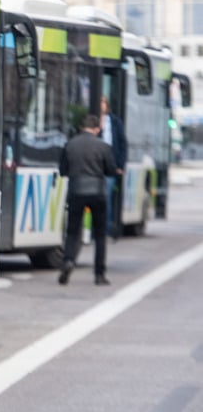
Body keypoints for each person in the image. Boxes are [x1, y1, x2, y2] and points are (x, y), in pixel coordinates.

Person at [58, 114, 118, 286]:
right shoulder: (104, 146)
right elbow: (111, 170)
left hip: (76, 191)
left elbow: (62, 170)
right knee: (99, 235)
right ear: (97, 129)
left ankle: (69, 260)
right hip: (98, 193)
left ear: (81, 128)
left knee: (72, 232)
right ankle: (99, 274)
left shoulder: (70, 145)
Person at [100, 95, 127, 238]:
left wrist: (120, 165)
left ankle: (105, 229)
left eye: (103, 102)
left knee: (107, 198)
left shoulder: (115, 121)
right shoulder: (93, 122)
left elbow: (123, 144)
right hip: (95, 165)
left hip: (110, 166)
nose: (101, 105)